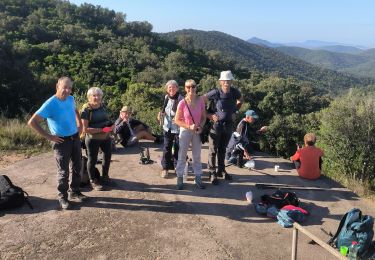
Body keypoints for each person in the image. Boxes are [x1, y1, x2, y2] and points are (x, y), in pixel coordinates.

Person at [28, 77, 86, 210]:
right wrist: (49, 136)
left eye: (70, 88)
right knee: (63, 171)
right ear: (57, 86)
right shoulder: (50, 103)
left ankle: (75, 191)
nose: (67, 90)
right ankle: (63, 197)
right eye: (65, 87)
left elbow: (75, 110)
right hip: (61, 142)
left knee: (78, 166)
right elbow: (32, 122)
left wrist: (80, 125)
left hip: (75, 137)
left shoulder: (71, 99)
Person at [204, 70, 243, 184]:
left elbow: (241, 100)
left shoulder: (235, 92)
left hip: (229, 125)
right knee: (213, 150)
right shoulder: (215, 92)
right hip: (216, 126)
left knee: (222, 149)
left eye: (229, 80)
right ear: (220, 82)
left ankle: (221, 170)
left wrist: (235, 110)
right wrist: (209, 115)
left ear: (231, 81)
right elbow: (201, 100)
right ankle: (212, 172)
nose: (226, 82)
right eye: (224, 80)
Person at [174, 79, 206, 190]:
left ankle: (198, 177)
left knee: (197, 155)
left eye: (193, 86)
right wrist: (188, 126)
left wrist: (201, 126)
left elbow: (203, 116)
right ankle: (179, 177)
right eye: (188, 87)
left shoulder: (200, 100)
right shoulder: (182, 102)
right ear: (185, 88)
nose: (191, 89)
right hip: (185, 130)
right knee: (182, 155)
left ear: (196, 87)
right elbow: (177, 120)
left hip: (197, 131)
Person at [81, 87, 114, 191]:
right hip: (92, 138)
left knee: (107, 156)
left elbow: (108, 120)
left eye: (99, 95)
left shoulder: (103, 106)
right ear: (89, 97)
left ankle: (105, 177)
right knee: (92, 159)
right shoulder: (86, 110)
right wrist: (102, 130)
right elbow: (85, 129)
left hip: (106, 137)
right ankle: (93, 181)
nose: (97, 97)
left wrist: (111, 127)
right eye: (94, 95)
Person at [157, 80, 184, 178]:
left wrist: (178, 119)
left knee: (177, 149)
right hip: (167, 128)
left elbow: (185, 114)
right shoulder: (166, 97)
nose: (171, 89)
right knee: (166, 148)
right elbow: (164, 109)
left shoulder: (181, 99)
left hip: (178, 128)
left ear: (177, 88)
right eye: (169, 88)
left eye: (173, 87)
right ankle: (165, 168)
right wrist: (160, 114)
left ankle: (177, 168)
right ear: (167, 89)